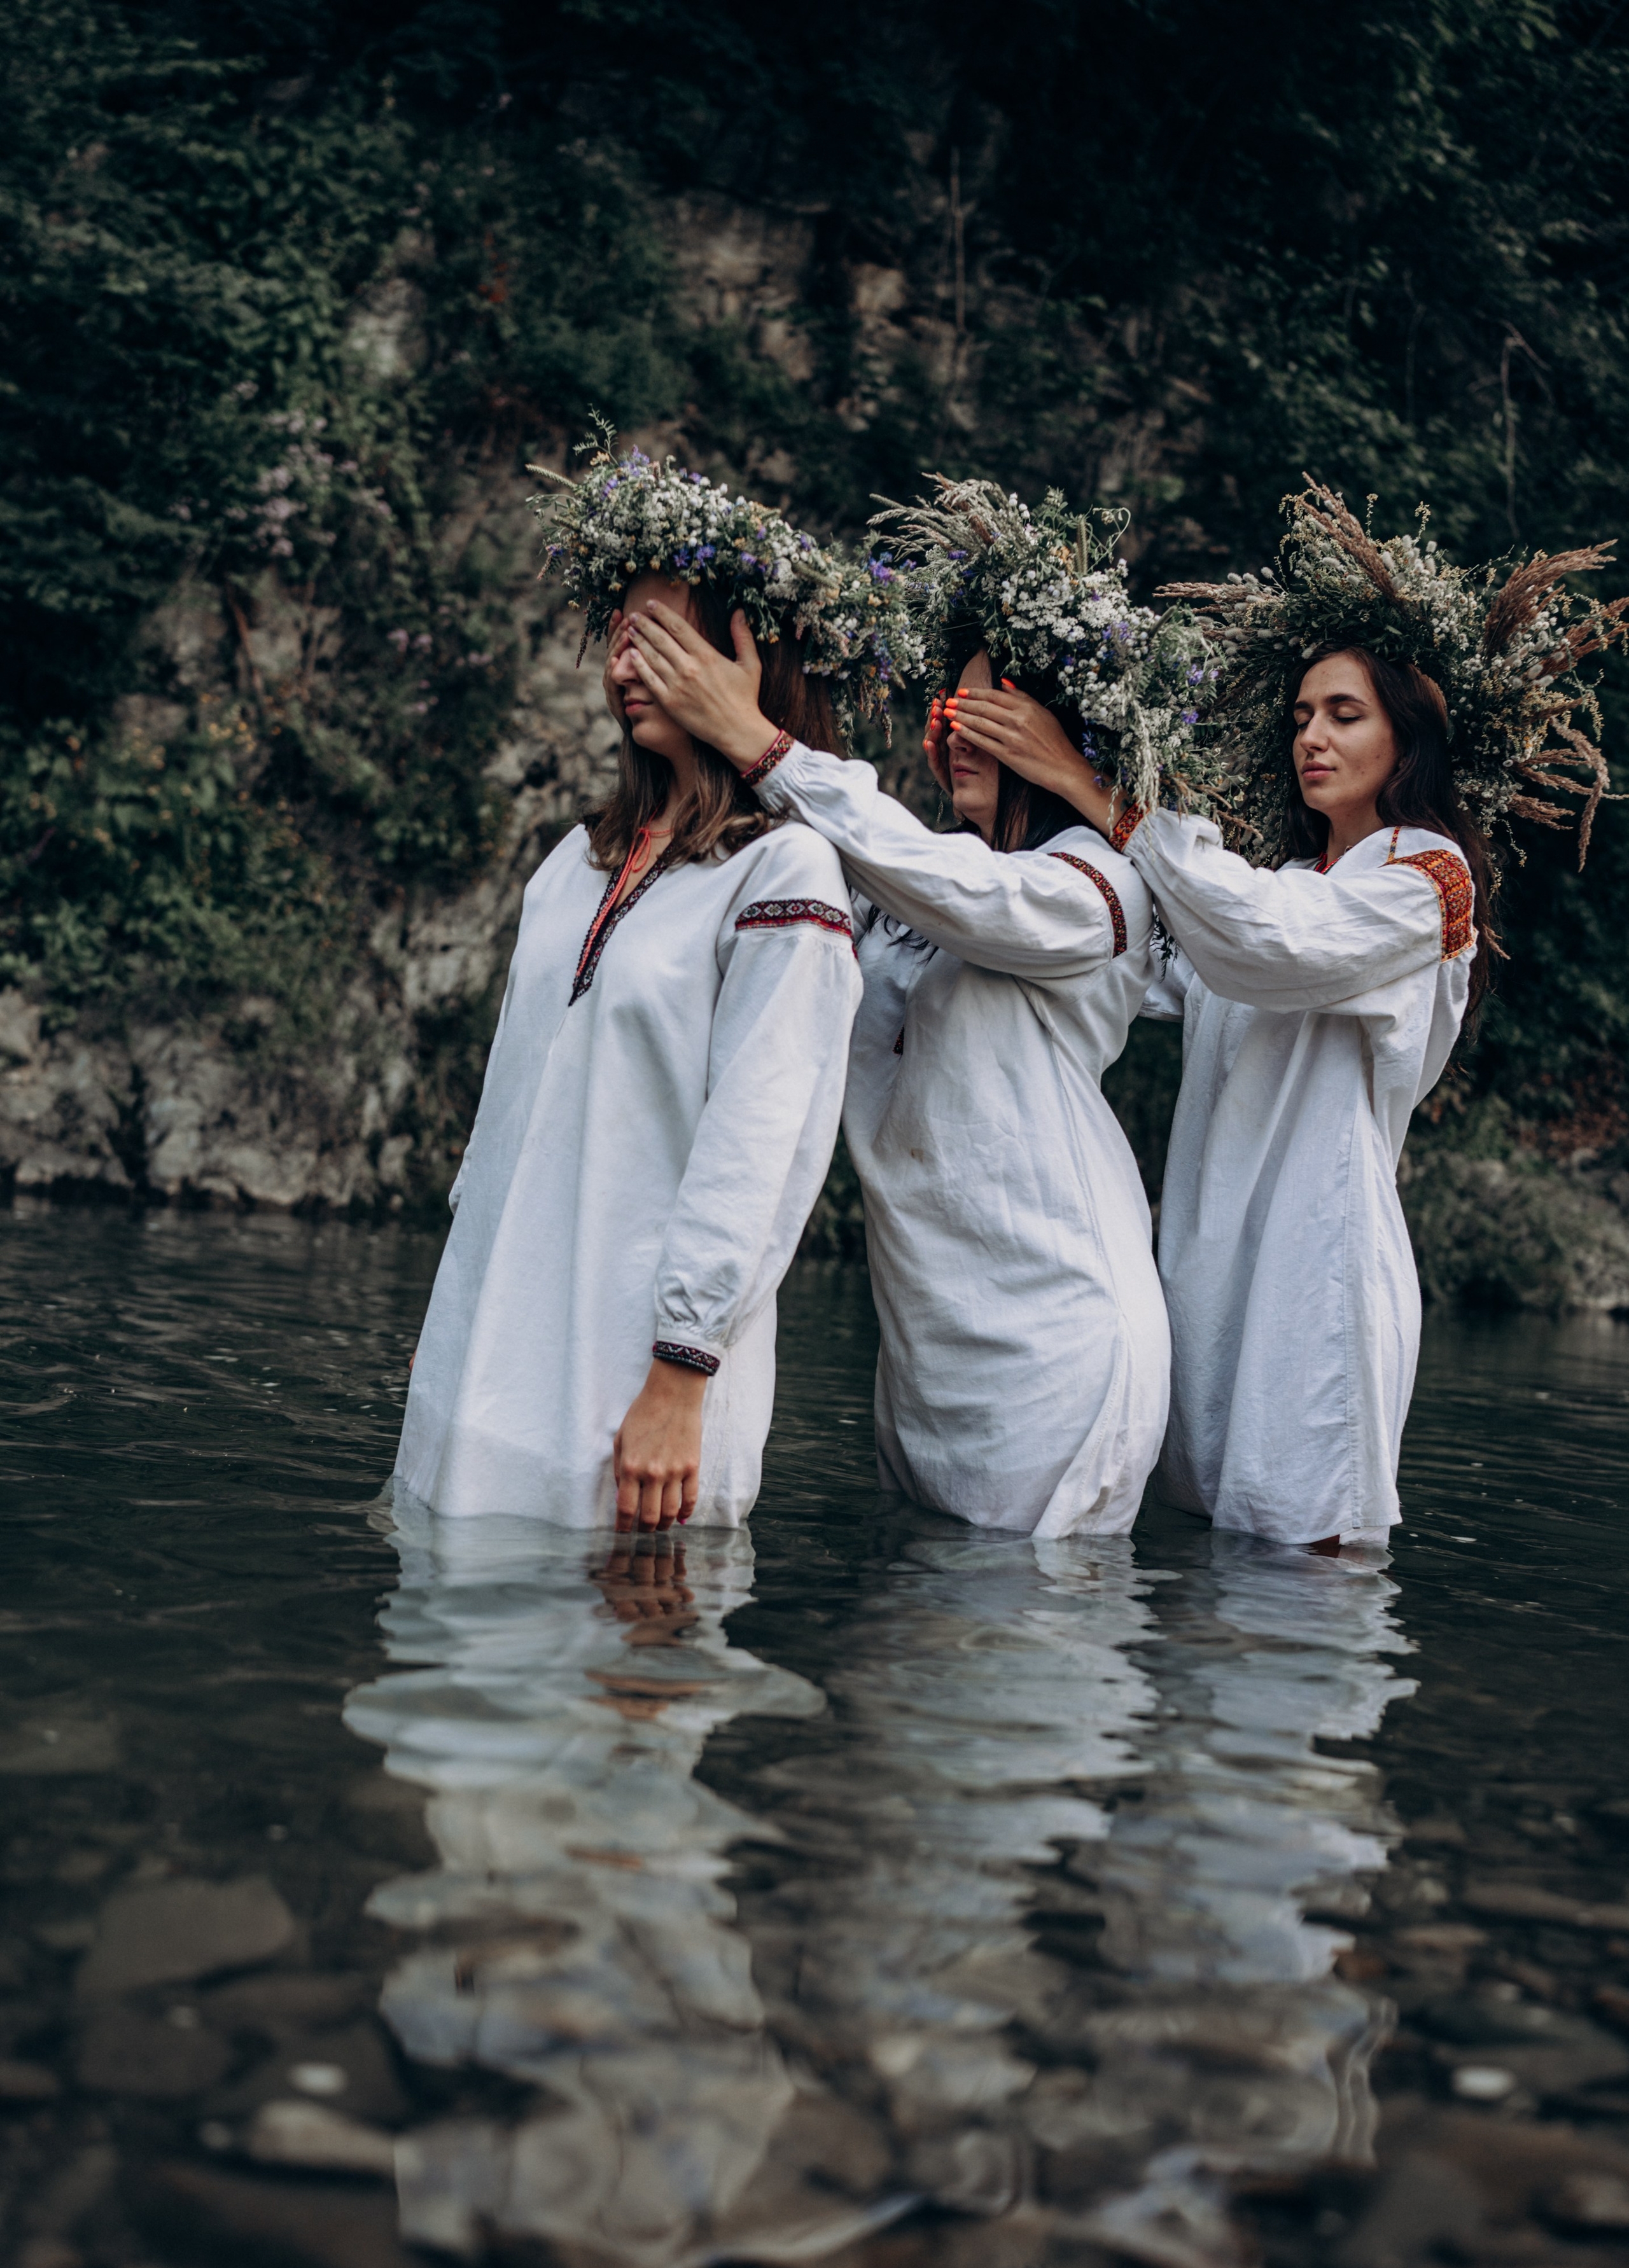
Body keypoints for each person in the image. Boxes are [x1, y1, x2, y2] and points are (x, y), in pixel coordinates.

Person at [949, 481, 1626, 1549]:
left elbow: (1269, 941)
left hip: (1319, 1265)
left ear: (1409, 738)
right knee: (1207, 1605)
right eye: (1302, 714)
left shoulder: (1425, 879)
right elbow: (1169, 958)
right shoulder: (1290, 880)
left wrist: (1091, 786)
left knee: (1302, 1578)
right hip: (1214, 1264)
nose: (1312, 733)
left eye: (1344, 714)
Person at [617, 478, 1203, 1534]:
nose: (962, 732)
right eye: (951, 711)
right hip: (925, 1342)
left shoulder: (1098, 887)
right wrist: (748, 713)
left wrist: (765, 743)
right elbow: (799, 887)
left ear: (1060, 733)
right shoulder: (910, 883)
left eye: (996, 713)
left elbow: (969, 894)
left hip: (1057, 1337)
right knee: (906, 1684)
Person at [393, 436, 907, 1530]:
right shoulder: (570, 864)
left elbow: (761, 1143)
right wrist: (453, 1331)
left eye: (660, 641)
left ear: (747, 657)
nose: (625, 667)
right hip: (494, 1360)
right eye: (619, 640)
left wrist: (682, 1371)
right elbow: (506, 1122)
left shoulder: (784, 874)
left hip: (637, 1388)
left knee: (623, 1673)